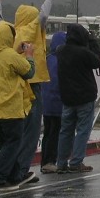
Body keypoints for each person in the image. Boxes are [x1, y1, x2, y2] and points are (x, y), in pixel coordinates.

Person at [0, 0, 53, 180]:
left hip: (15, 88)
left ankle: (13, 169)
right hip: (33, 83)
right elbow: (43, 14)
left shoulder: (9, 32)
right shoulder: (34, 28)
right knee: (31, 133)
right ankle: (21, 171)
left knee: (15, 133)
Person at [0, 21, 38, 191]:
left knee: (6, 144)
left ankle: (15, 176)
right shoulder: (10, 56)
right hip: (11, 108)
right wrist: (29, 55)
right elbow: (29, 72)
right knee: (13, 143)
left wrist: (16, 52)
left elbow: (6, 62)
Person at [55, 23, 100, 172]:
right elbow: (97, 61)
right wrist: (93, 41)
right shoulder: (83, 52)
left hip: (67, 97)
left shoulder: (60, 51)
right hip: (85, 96)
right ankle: (76, 162)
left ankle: (61, 163)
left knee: (65, 131)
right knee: (82, 130)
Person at [39, 31, 66, 173]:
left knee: (48, 133)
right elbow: (58, 83)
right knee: (56, 133)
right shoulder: (60, 61)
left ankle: (45, 160)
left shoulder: (47, 59)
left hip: (46, 103)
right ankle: (50, 161)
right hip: (57, 103)